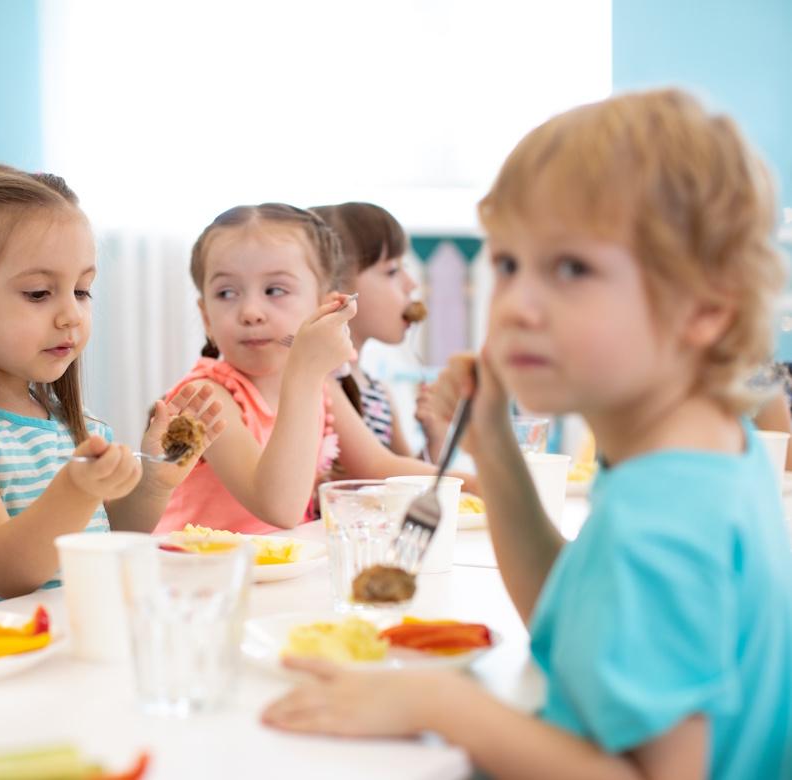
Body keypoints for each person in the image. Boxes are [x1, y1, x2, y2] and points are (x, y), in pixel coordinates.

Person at [263, 89, 792, 778]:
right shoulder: (692, 455)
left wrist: (443, 704)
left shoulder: (668, 518)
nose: (516, 304)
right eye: (509, 264)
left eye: (571, 268)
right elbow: (570, 619)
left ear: (704, 309)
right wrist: (493, 448)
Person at [0, 164, 222, 603]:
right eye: (39, 293)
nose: (71, 315)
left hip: (63, 649)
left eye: (82, 291)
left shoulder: (79, 427)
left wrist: (154, 482)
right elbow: (5, 570)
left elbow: (105, 540)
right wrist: (77, 488)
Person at [155, 204, 476, 536]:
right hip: (202, 577)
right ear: (206, 317)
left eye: (275, 290)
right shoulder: (204, 398)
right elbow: (278, 508)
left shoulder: (322, 387)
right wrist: (305, 374)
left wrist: (483, 489)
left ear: (323, 306)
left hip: (286, 572)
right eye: (226, 293)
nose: (250, 312)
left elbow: (381, 466)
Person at [311, 202, 421, 457]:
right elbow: (381, 469)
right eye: (392, 270)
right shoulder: (321, 384)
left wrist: (436, 434)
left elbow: (409, 481)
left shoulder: (378, 392)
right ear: (335, 286)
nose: (411, 283)